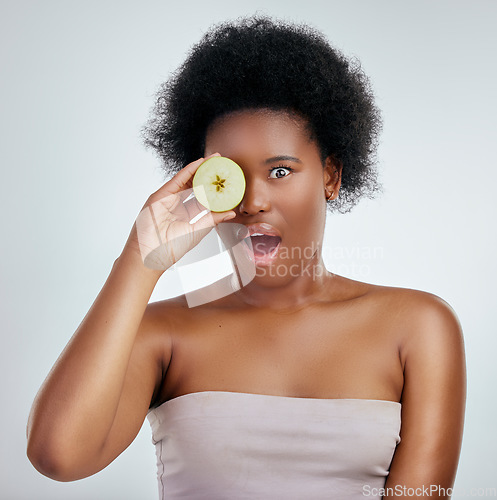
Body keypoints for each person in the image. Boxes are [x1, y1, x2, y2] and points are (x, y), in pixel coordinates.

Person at [26, 16, 466, 499]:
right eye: (228, 174)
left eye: (280, 170)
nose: (253, 201)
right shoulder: (162, 334)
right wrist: (139, 260)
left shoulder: (419, 327)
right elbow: (57, 457)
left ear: (331, 176)